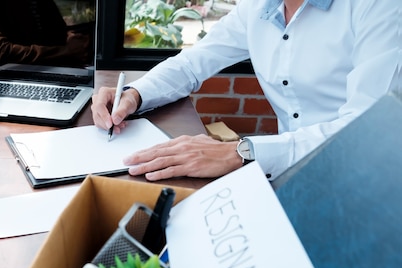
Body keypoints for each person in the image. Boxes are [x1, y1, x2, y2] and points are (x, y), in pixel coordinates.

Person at [92, 0, 402, 182]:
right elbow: (192, 63)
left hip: (364, 180)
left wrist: (242, 151)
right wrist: (134, 93)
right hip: (284, 172)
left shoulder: (379, 9)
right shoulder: (257, 7)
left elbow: (365, 130)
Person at [0, 0, 92, 74]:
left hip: (48, 70)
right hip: (4, 78)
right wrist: (66, 52)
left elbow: (56, 31)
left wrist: (70, 39)